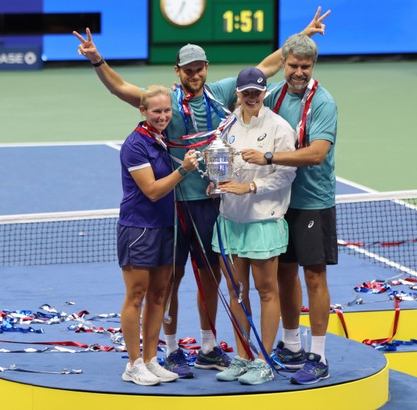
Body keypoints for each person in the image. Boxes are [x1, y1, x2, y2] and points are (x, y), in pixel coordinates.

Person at [72, 8, 329, 379]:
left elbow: (266, 69)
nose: (194, 74)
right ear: (178, 72)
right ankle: (173, 350)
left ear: (206, 68)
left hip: (214, 203)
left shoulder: (223, 92)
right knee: (170, 280)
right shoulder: (164, 102)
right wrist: (97, 60)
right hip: (175, 205)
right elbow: (120, 89)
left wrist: (302, 37)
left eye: (199, 68)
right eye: (188, 69)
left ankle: (208, 348)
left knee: (213, 279)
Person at [242, 33, 338, 385]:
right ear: (284, 64)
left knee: (314, 276)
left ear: (313, 66)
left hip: (313, 201)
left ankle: (319, 355)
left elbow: (316, 154)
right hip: (279, 201)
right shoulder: (277, 95)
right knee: (285, 272)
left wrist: (269, 157)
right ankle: (292, 345)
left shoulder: (324, 103)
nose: (299, 72)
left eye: (305, 66)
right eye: (294, 65)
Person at [209, 68, 296, 385]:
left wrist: (251, 187)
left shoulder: (279, 128)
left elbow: (286, 175)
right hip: (230, 219)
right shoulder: (228, 125)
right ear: (238, 93)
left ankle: (263, 360)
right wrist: (215, 183)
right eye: (245, 91)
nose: (250, 96)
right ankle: (243, 356)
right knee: (235, 291)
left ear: (264, 93)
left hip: (263, 220)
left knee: (266, 291)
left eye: (255, 92)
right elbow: (218, 162)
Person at [117, 85, 199, 385]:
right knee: (136, 295)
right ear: (143, 111)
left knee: (159, 295)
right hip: (139, 229)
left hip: (166, 227)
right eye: (156, 111)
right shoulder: (135, 145)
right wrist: (184, 170)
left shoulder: (162, 140)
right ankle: (133, 363)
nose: (163, 116)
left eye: (167, 111)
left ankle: (151, 359)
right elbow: (151, 191)